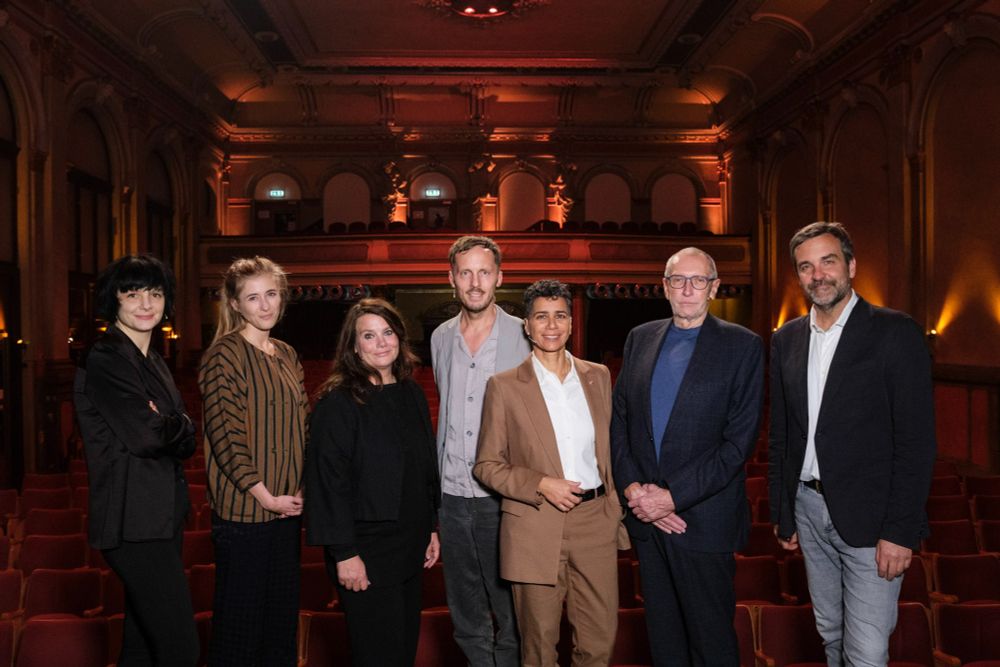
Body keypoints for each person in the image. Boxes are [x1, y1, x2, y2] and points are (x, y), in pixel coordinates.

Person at [769, 222, 936, 666]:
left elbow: (916, 442)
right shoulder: (785, 340)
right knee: (830, 635)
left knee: (865, 651)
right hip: (808, 509)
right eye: (806, 266)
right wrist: (784, 514)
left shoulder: (895, 333)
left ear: (851, 266)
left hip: (873, 521)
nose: (817, 274)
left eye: (828, 261)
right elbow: (782, 436)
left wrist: (900, 531)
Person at [611, 247, 764, 666]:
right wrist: (635, 491)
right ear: (665, 286)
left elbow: (737, 444)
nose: (688, 289)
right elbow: (620, 421)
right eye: (678, 280)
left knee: (710, 642)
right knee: (664, 642)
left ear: (714, 287)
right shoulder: (640, 337)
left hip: (703, 521)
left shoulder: (743, 346)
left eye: (699, 281)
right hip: (647, 519)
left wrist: (671, 497)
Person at [474, 280, 627, 667]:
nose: (551, 325)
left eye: (560, 315)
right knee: (539, 650)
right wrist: (540, 484)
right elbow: (487, 465)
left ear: (571, 323)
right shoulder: (504, 386)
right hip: (534, 524)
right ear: (527, 325)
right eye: (541, 316)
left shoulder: (599, 377)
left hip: (595, 522)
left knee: (599, 644)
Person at [74, 254, 199, 666]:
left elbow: (182, 432)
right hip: (133, 522)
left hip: (161, 515)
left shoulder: (154, 361)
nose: (146, 303)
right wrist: (174, 424)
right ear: (114, 300)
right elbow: (149, 436)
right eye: (132, 293)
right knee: (180, 646)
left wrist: (173, 423)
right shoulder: (107, 357)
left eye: (155, 293)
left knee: (142, 645)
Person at [305, 298, 441, 666]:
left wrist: (430, 527)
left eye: (388, 333)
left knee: (402, 650)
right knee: (377, 655)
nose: (381, 343)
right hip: (366, 549)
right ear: (353, 345)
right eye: (369, 335)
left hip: (410, 544)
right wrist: (345, 554)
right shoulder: (338, 402)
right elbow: (327, 484)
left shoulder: (410, 391)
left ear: (399, 337)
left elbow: (422, 468)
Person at [198, 256, 308, 666]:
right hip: (245, 515)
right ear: (235, 304)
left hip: (286, 512)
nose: (265, 306)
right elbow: (227, 438)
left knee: (279, 626)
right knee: (240, 629)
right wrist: (267, 496)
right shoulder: (223, 355)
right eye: (253, 297)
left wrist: (298, 489)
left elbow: (302, 428)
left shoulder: (286, 354)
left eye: (271, 294)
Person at [430, 235, 527, 666]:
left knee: (510, 612)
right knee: (465, 613)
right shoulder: (439, 338)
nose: (475, 282)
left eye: (484, 272)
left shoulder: (525, 335)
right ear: (451, 279)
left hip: (503, 499)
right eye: (465, 272)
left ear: (500, 278)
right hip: (451, 498)